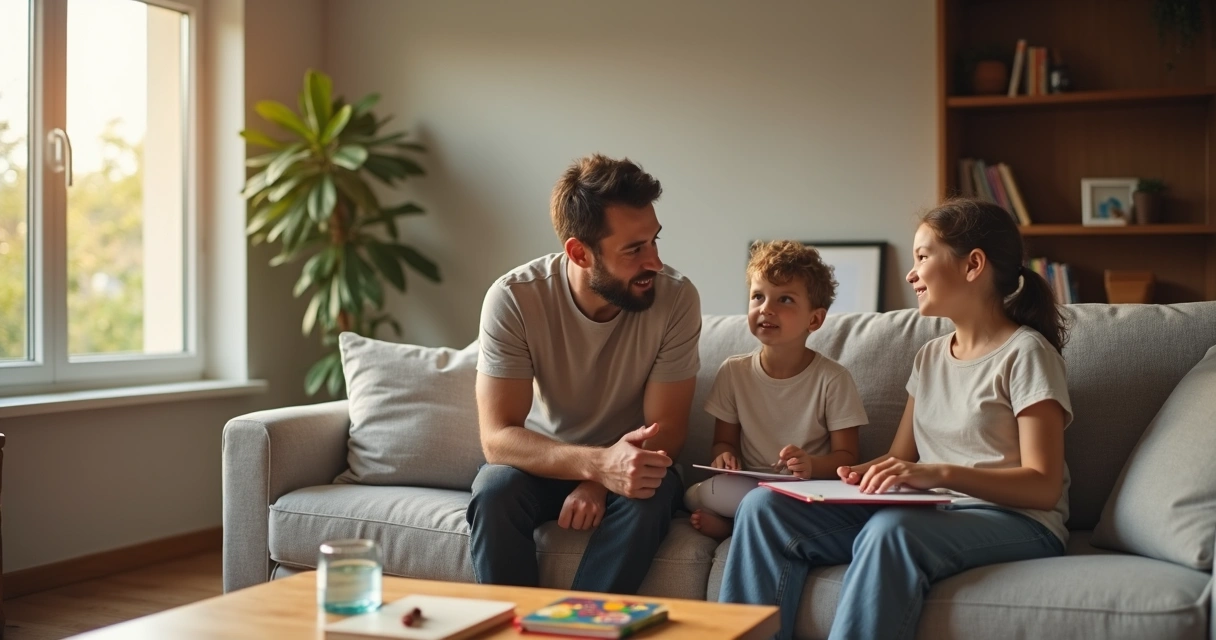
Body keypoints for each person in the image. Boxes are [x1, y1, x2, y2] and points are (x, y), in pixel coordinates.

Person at [719, 198, 1073, 640]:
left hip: (1016, 520)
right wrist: (854, 474)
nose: (911, 274)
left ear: (973, 265)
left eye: (923, 257)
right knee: (763, 507)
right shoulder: (929, 358)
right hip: (934, 512)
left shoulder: (1027, 353)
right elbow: (899, 458)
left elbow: (1042, 485)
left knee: (892, 531)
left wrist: (938, 473)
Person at [466, 154, 701, 595]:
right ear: (579, 252)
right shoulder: (514, 298)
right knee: (494, 491)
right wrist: (596, 469)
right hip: (545, 463)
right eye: (634, 249)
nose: (654, 261)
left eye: (653, 240)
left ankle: (583, 630)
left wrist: (608, 477)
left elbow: (667, 428)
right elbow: (497, 437)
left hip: (636, 462)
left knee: (648, 497)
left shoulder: (677, 299)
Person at [684, 240, 867, 541]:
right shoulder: (733, 371)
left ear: (815, 319)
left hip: (806, 487)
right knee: (699, 494)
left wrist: (810, 465)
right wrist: (725, 458)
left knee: (764, 503)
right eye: (758, 297)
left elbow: (848, 456)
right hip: (750, 485)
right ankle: (743, 520)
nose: (766, 309)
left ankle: (735, 526)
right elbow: (723, 442)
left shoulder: (833, 379)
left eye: (784, 300)